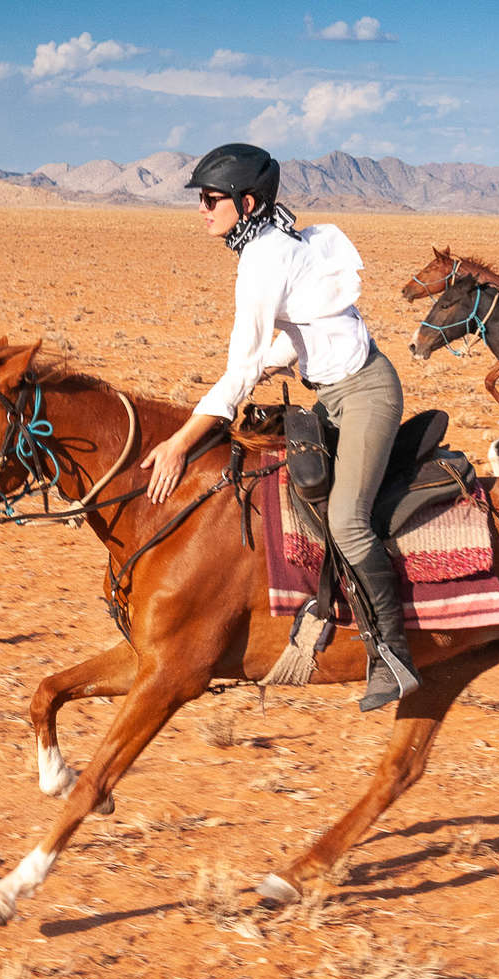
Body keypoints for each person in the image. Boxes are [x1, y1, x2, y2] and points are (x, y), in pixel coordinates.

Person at [138, 143, 420, 712]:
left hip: (364, 394)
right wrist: (248, 376)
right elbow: (298, 335)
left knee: (347, 519)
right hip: (333, 393)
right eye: (201, 197)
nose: (201, 208)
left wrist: (179, 442)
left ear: (245, 203)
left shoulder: (264, 259)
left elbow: (241, 369)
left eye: (211, 198)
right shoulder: (271, 247)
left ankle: (393, 656)